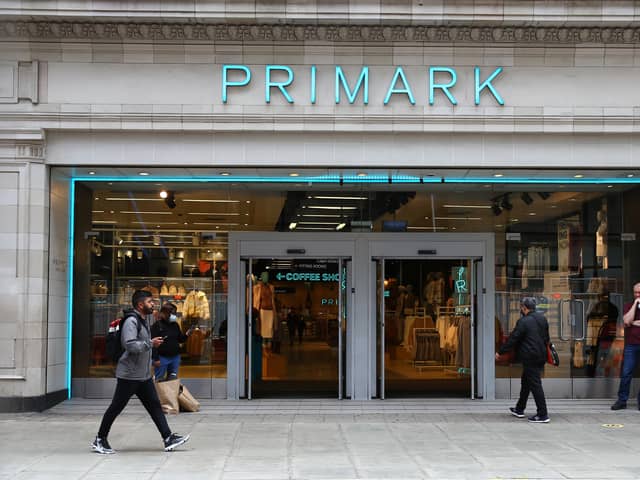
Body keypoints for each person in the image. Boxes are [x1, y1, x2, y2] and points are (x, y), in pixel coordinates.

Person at [91, 290, 190, 454]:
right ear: (140, 304)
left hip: (142, 376)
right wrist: (150, 344)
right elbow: (130, 344)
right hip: (130, 375)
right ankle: (100, 439)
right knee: (116, 407)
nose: (153, 305)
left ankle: (168, 438)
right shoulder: (131, 321)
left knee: (155, 406)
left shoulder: (143, 320)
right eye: (150, 302)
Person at [496, 297, 550, 423]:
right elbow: (546, 338)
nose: (521, 309)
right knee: (526, 382)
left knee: (535, 384)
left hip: (530, 357)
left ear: (524, 308)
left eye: (521, 307)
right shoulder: (542, 319)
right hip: (540, 355)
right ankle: (519, 409)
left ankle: (543, 414)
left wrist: (500, 352)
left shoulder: (523, 321)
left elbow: (513, 339)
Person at [611, 283, 640, 410]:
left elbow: (629, 323)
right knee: (626, 372)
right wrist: (635, 304)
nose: (638, 295)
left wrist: (633, 323)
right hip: (631, 345)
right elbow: (627, 321)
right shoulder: (629, 305)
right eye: (636, 293)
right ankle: (622, 400)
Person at [151, 302, 191, 381]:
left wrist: (187, 335)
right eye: (172, 313)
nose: (174, 315)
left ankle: (171, 393)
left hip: (175, 357)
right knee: (159, 379)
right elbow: (153, 343)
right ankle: (159, 394)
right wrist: (156, 359)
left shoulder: (175, 325)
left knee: (173, 379)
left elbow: (180, 339)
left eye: (175, 313)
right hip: (162, 358)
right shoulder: (157, 325)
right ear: (165, 313)